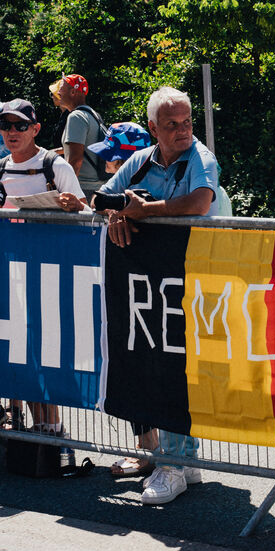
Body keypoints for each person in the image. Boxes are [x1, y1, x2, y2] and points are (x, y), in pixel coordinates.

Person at [94, 87, 220, 505]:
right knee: (161, 363)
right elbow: (100, 197)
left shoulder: (201, 158)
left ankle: (174, 464)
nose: (183, 130)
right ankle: (182, 462)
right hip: (154, 282)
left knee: (178, 368)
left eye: (188, 122)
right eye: (172, 125)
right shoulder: (140, 159)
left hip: (196, 278)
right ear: (153, 128)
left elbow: (200, 203)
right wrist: (116, 214)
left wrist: (141, 211)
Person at [0, 98, 88, 437]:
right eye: (6, 125)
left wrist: (72, 207)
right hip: (11, 272)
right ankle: (29, 425)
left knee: (42, 349)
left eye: (20, 125)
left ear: (35, 129)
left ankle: (51, 430)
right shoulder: (1, 168)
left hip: (48, 273)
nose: (12, 132)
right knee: (17, 349)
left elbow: (86, 214)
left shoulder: (54, 165)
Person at [89, 121, 159, 477]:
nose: (107, 165)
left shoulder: (151, 189)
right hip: (131, 289)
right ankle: (151, 450)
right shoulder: (123, 192)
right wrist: (113, 210)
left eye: (114, 158)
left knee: (144, 366)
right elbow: (98, 201)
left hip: (150, 293)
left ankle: (154, 454)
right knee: (132, 363)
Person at [56, 73, 109, 202]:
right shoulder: (92, 114)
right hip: (97, 186)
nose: (58, 93)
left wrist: (67, 189)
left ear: (73, 92)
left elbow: (75, 159)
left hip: (83, 188)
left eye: (61, 88)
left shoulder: (76, 117)